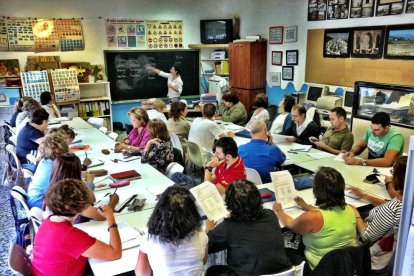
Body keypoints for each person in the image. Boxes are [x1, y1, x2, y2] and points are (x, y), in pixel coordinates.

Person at [273, 167, 358, 270]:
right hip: (347, 265)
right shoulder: (350, 209)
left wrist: (279, 211)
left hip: (321, 268)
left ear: (317, 189)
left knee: (285, 242)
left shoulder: (311, 218)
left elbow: (290, 224)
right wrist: (306, 206)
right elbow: (327, 214)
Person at [31, 179, 121, 275]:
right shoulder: (70, 235)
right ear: (83, 207)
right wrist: (110, 218)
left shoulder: (48, 221)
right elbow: (115, 253)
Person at [206, 179, 291, 275]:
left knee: (212, 271)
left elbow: (204, 247)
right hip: (284, 272)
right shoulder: (270, 215)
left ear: (229, 205)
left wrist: (208, 228)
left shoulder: (228, 227)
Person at [135, 186, 208, 276]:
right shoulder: (200, 234)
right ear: (192, 212)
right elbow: (203, 261)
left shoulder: (150, 235)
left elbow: (141, 272)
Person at [351, 156, 406, 271]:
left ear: (397, 178)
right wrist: (364, 196)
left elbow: (366, 237)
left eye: (392, 171)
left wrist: (355, 214)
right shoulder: (405, 201)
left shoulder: (392, 210)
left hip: (375, 260)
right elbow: (391, 202)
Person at [171, 137, 246, 193]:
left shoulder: (236, 174)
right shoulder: (224, 161)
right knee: (176, 175)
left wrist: (208, 169)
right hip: (209, 186)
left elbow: (209, 191)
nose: (215, 155)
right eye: (215, 152)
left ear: (228, 156)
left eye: (218, 153)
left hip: (214, 195)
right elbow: (212, 178)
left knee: (181, 190)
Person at [27, 134, 69, 208]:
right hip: (42, 204)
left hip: (35, 200)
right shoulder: (54, 167)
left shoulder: (45, 160)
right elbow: (66, 191)